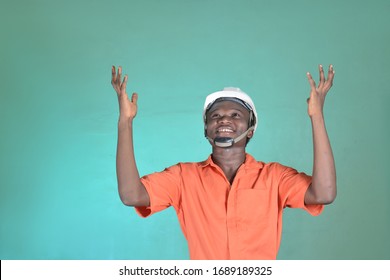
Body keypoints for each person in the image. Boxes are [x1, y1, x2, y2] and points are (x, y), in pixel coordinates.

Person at [111, 64, 336, 260]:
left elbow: (323, 194)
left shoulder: (275, 177)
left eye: (236, 115)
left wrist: (317, 116)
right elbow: (132, 195)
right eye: (216, 116)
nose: (224, 119)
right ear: (206, 128)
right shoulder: (183, 178)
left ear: (250, 131)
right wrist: (125, 122)